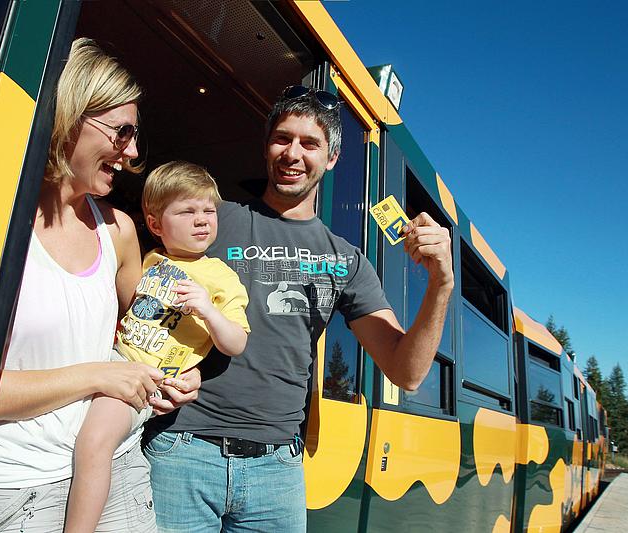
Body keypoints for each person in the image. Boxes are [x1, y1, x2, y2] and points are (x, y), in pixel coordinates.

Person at [145, 85, 454, 532]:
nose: (292, 153)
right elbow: (137, 282)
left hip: (277, 470)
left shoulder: (346, 260)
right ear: (266, 147)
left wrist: (441, 284)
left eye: (310, 143)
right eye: (282, 138)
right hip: (182, 449)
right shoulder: (214, 219)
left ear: (331, 159)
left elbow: (407, 372)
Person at [0, 39, 200, 533]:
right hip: (8, 491)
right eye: (122, 132)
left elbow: (153, 334)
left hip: (119, 475)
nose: (133, 152)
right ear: (71, 116)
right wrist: (97, 375)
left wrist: (179, 372)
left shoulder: (118, 230)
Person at [65, 161, 251, 533]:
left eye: (209, 210)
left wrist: (208, 310)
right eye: (187, 211)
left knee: (95, 441)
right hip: (112, 362)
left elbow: (236, 343)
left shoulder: (222, 278)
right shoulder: (151, 259)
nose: (202, 220)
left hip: (143, 381)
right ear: (154, 224)